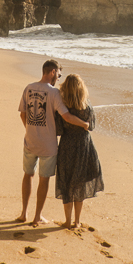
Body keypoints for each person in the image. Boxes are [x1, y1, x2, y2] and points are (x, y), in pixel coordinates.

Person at [18, 59, 89, 227]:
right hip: (48, 145)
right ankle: (37, 217)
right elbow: (66, 116)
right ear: (52, 72)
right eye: (58, 74)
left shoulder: (28, 88)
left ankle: (23, 213)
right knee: (44, 180)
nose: (58, 77)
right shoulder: (54, 93)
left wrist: (30, 130)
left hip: (30, 141)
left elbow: (23, 113)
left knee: (28, 175)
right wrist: (84, 124)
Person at [55, 73, 104, 229]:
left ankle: (68, 221)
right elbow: (92, 126)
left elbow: (58, 130)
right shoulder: (87, 105)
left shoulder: (62, 107)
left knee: (67, 181)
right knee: (79, 182)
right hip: (83, 145)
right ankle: (77, 221)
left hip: (67, 144)